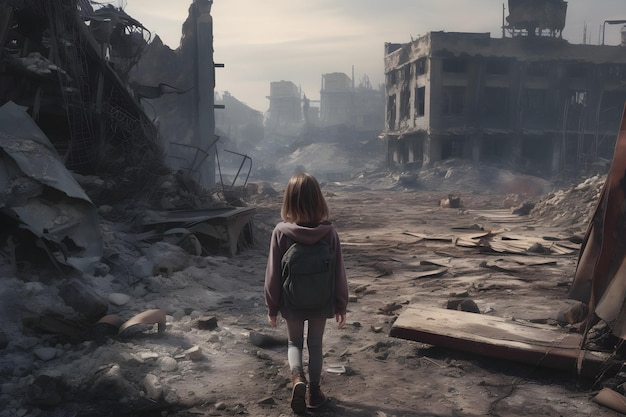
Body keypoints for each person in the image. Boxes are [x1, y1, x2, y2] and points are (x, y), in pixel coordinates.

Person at [264, 172, 349, 414]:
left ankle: (296, 378)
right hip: (321, 301)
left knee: (294, 342)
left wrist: (272, 306)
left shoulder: (281, 232)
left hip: (291, 301)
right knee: (315, 344)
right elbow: (339, 273)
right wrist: (341, 304)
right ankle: (314, 393)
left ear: (288, 201)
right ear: (319, 200)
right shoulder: (329, 233)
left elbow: (273, 274)